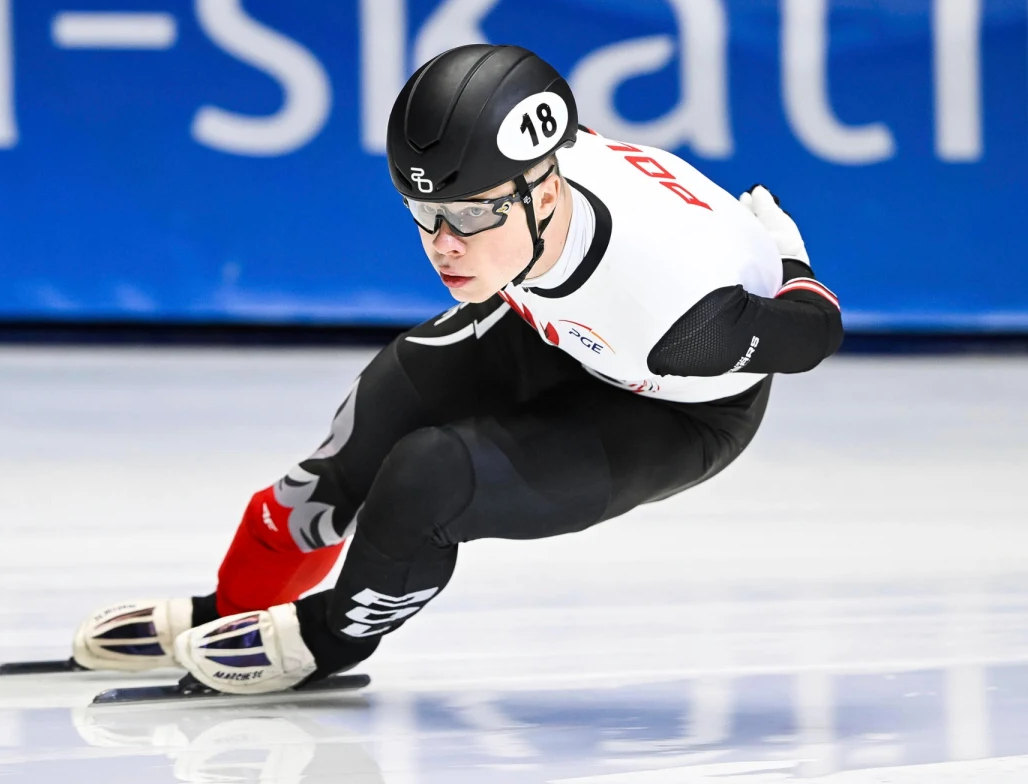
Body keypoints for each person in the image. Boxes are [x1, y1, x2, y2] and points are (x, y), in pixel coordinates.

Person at [69, 45, 842, 693]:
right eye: (423, 213)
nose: (444, 243)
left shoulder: (680, 316)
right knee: (369, 423)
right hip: (558, 327)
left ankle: (329, 641)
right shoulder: (528, 177)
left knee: (426, 478)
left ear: (546, 190)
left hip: (672, 404)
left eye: (472, 215)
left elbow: (813, 335)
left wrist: (791, 259)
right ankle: (228, 607)